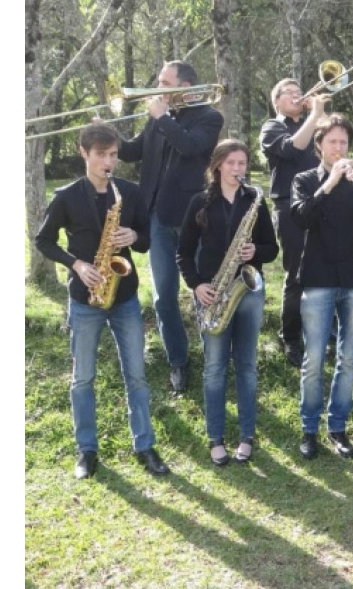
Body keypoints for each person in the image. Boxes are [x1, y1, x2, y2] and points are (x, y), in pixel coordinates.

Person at [35, 123, 170, 479]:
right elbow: (44, 241)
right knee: (83, 379)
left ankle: (145, 446)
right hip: (84, 297)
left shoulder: (128, 192)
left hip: (123, 295)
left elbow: (144, 242)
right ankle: (87, 450)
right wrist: (76, 264)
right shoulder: (66, 195)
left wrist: (135, 234)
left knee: (137, 377)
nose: (109, 162)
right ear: (84, 153)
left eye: (113, 155)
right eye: (101, 155)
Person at [118, 60, 224, 393]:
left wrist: (161, 117)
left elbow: (191, 146)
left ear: (185, 85)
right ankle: (178, 361)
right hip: (158, 219)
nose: (157, 87)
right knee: (164, 297)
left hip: (192, 220)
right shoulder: (158, 118)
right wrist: (104, 133)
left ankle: (213, 361)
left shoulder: (209, 116)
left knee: (201, 293)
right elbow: (133, 151)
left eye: (164, 82)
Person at [290, 113, 353, 459]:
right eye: (332, 142)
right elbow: (300, 217)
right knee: (314, 360)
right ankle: (308, 430)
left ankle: (338, 428)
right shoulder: (305, 179)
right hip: (317, 278)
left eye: (343, 142)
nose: (338, 148)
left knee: (348, 360)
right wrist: (328, 184)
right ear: (319, 146)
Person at [176, 139, 278, 466]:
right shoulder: (199, 203)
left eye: (242, 163)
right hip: (214, 292)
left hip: (247, 290)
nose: (237, 169)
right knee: (215, 369)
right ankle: (215, 437)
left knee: (246, 367)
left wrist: (255, 252)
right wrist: (197, 285)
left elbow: (271, 249)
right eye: (231, 163)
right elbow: (183, 252)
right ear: (218, 164)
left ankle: (247, 435)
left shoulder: (255, 201)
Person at [259, 78, 329, 367]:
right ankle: (290, 337)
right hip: (289, 207)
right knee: (297, 275)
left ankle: (324, 332)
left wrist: (321, 115)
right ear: (276, 102)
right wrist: (314, 116)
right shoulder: (271, 127)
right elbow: (292, 148)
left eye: (299, 92)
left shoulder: (315, 124)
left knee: (325, 271)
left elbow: (331, 146)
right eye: (289, 93)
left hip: (323, 202)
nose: (298, 96)